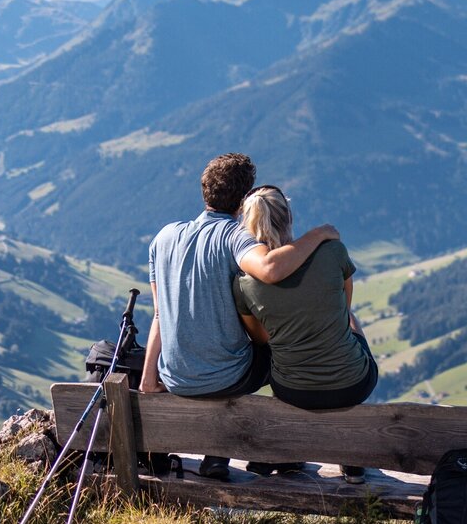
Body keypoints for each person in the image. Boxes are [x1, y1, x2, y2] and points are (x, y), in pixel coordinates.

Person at [138, 154, 339, 481]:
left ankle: (217, 454)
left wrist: (149, 378)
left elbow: (160, 313)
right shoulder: (235, 236)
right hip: (227, 377)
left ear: (204, 190)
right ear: (245, 200)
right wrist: (319, 234)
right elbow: (270, 268)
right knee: (283, 352)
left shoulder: (163, 238)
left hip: (175, 376)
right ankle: (280, 451)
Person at [233, 185, 378, 484]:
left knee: (280, 352)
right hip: (353, 384)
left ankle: (288, 454)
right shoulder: (333, 252)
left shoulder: (243, 283)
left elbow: (262, 340)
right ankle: (351, 458)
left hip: (292, 390)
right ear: (289, 218)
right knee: (352, 322)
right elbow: (344, 310)